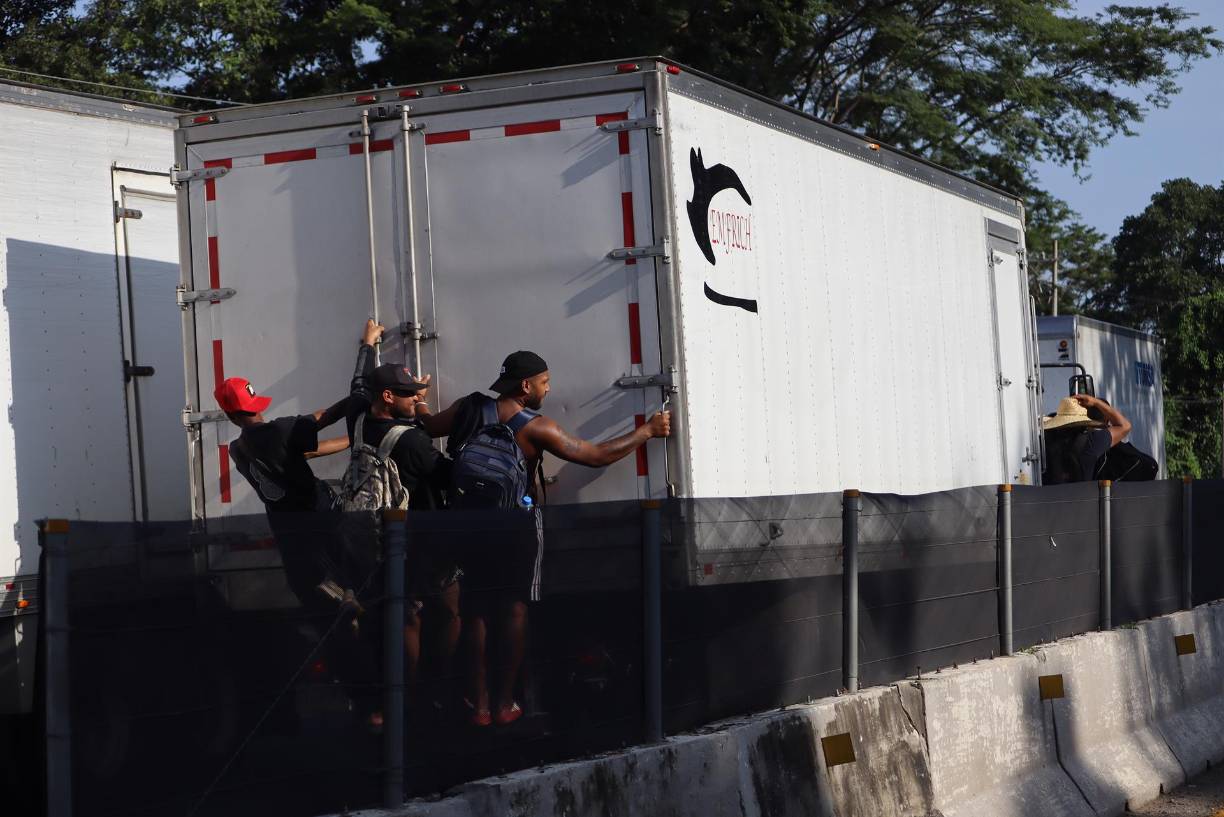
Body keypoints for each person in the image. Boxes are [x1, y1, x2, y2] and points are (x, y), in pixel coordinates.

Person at [418, 350, 671, 727]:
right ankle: (506, 703)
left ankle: (481, 706)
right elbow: (595, 456)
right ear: (525, 386)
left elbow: (428, 427)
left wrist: (420, 404)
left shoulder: (466, 408)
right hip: (515, 528)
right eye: (544, 382)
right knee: (514, 609)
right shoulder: (536, 427)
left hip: (467, 525)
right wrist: (647, 431)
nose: (547, 389)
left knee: (476, 614)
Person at [345, 319, 459, 698]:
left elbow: (359, 384)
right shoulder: (411, 440)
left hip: (372, 541)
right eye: (409, 394)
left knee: (396, 613)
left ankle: (397, 697)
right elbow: (449, 477)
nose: (417, 398)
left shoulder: (357, 418)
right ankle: (431, 689)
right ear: (389, 397)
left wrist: (368, 345)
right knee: (441, 611)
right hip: (420, 542)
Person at [216, 376, 352, 605]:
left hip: (289, 531)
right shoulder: (280, 430)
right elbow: (325, 417)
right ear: (255, 400)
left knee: (315, 598)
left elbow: (304, 453)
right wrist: (360, 396)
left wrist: (350, 441)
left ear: (230, 416)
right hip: (321, 518)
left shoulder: (236, 450)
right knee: (354, 573)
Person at [1042, 393, 1132, 484]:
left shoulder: (1046, 435)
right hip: (1079, 497)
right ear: (1084, 420)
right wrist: (1096, 402)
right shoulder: (1091, 441)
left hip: (1042, 495)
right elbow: (1125, 426)